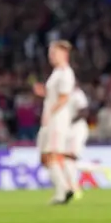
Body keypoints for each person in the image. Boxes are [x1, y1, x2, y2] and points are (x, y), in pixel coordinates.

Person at [33, 40, 76, 205]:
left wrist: (50, 113)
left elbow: (64, 98)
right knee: (45, 156)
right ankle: (67, 186)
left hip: (57, 120)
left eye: (54, 53)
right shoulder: (57, 72)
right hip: (50, 118)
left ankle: (62, 191)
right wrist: (43, 92)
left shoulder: (66, 72)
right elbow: (55, 95)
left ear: (63, 54)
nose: (51, 56)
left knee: (52, 154)